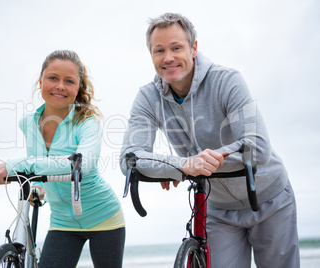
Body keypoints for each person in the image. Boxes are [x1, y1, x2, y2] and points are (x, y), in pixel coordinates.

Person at [120, 13, 299, 267]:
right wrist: (181, 166)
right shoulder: (148, 98)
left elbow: (257, 148)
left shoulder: (227, 81)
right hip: (218, 208)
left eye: (176, 47)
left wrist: (200, 162)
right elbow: (130, 158)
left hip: (268, 196)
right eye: (159, 50)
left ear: (193, 48)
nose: (168, 57)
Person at [0, 50, 125, 268]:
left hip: (104, 217)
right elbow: (37, 161)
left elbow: (81, 166)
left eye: (69, 81)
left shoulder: (88, 123)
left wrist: (16, 165)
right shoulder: (28, 123)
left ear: (78, 88)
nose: (60, 86)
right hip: (62, 222)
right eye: (53, 78)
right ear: (41, 80)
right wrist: (35, 185)